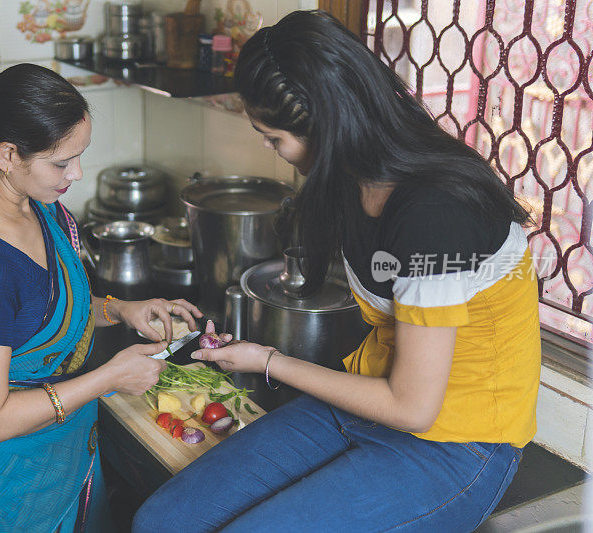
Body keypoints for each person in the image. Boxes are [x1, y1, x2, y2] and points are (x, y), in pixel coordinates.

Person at [133, 10, 540, 532]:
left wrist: (267, 360)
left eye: (273, 137)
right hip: (370, 396)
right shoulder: (352, 177)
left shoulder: (436, 214)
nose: (267, 147)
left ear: (328, 127)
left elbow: (413, 407)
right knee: (162, 521)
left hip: (458, 442)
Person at [0, 58, 202, 532]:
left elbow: (38, 310)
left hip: (54, 467)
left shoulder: (28, 203)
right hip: (3, 496)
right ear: (8, 154)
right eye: (61, 161)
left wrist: (121, 310)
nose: (77, 173)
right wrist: (110, 376)